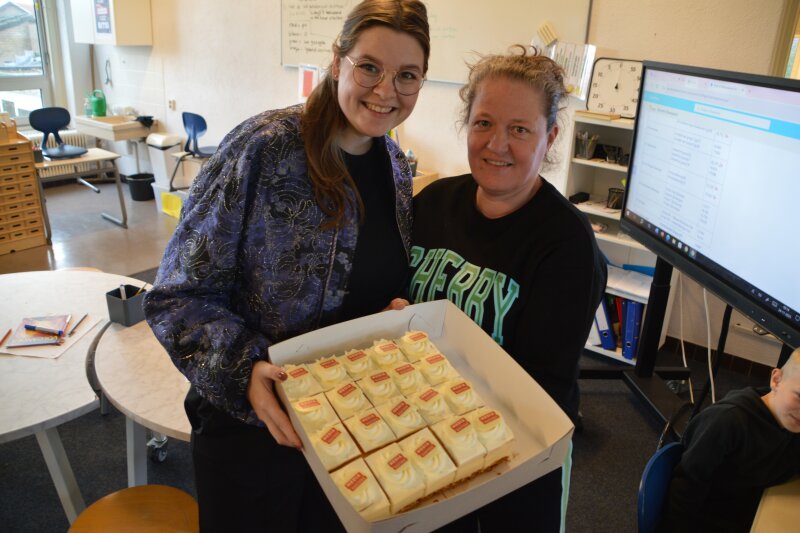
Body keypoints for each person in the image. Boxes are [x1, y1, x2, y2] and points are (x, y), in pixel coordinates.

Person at [143, 1, 430, 530]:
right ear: (338, 60)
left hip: (348, 425)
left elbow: (366, 285)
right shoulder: (263, 147)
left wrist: (391, 318)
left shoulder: (394, 168)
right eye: (370, 66)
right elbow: (176, 295)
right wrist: (242, 367)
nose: (386, 91)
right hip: (254, 432)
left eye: (407, 75)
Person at [408, 46, 607, 532]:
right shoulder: (432, 203)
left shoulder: (568, 247)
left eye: (520, 129)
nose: (497, 144)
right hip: (425, 428)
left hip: (515, 458)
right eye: (484, 123)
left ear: (550, 136)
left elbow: (537, 387)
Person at [660, 347, 800, 532]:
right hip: (709, 520)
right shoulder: (726, 422)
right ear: (776, 380)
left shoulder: (790, 420)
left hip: (749, 510)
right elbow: (685, 488)